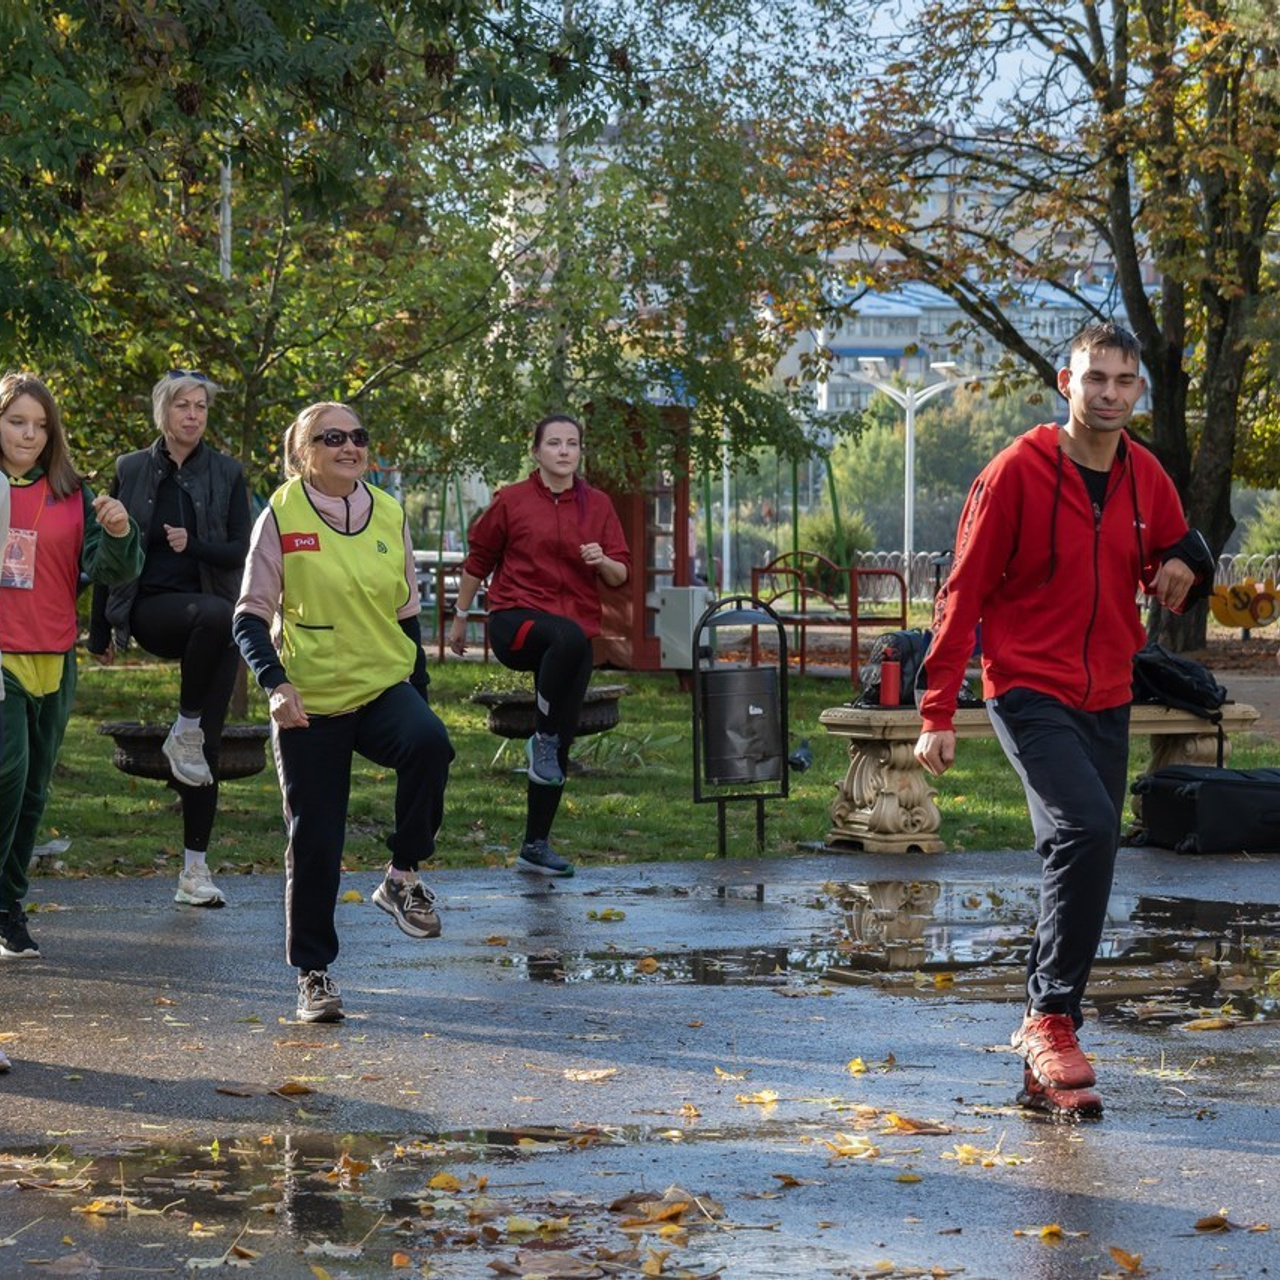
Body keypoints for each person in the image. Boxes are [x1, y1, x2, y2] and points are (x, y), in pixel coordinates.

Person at [913, 322, 1213, 1115]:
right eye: (1094, 379)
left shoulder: (1147, 476)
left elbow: (1178, 548)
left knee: (1073, 856)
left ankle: (1044, 1066)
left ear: (1137, 391)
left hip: (1109, 690)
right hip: (1026, 687)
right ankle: (1051, 1018)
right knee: (1087, 829)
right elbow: (962, 593)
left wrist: (1191, 560)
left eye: (1123, 381)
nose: (1108, 394)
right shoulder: (1015, 472)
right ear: (1064, 381)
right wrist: (938, 706)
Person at [233, 402, 453, 1023]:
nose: (350, 446)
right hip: (311, 699)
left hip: (383, 683)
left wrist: (421, 692)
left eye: (358, 436)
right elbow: (248, 615)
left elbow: (408, 614)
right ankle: (314, 974)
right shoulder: (281, 514)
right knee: (317, 839)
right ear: (304, 452)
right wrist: (274, 684)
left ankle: (401, 876)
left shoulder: (389, 511)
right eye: (332, 438)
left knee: (432, 743)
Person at [89, 371, 250, 909]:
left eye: (201, 406)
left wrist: (195, 544)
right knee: (214, 615)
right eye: (182, 405)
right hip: (153, 609)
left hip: (217, 619)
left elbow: (239, 551)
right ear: (162, 412)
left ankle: (194, 873)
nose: (193, 415)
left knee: (206, 747)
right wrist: (99, 630)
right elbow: (106, 549)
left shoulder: (227, 473)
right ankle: (183, 727)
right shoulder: (131, 469)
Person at [448, 413, 630, 878]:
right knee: (566, 637)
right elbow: (479, 561)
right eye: (554, 443)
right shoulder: (511, 501)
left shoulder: (598, 506)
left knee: (559, 744)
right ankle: (543, 739)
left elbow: (620, 575)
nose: (564, 451)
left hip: (569, 639)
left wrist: (602, 558)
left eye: (572, 443)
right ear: (536, 451)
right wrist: (461, 616)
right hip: (516, 623)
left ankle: (535, 845)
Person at [0, 373, 143, 959]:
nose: (29, 434)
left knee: (33, 791)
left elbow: (112, 568)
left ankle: (9, 906)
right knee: (6, 774)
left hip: (54, 657)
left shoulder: (71, 492)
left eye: (40, 424)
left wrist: (117, 530)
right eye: (16, 422)